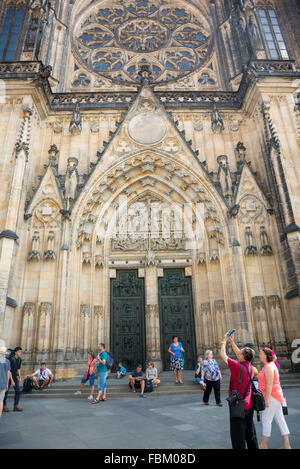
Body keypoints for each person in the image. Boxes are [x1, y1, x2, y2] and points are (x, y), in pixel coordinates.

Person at [220, 331, 259, 449]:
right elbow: (240, 354)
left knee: (238, 437)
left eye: (240, 352)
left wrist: (224, 341)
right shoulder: (251, 368)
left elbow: (223, 355)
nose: (238, 353)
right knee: (250, 433)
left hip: (238, 406)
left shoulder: (237, 367)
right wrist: (232, 341)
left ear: (242, 357)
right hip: (249, 405)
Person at [258, 347, 291, 449]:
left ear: (265, 355)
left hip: (272, 396)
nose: (259, 355)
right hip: (275, 395)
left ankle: (263, 445)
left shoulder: (269, 367)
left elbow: (269, 385)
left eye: (260, 353)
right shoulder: (269, 365)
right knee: (280, 419)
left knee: (266, 419)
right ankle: (287, 444)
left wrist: (266, 399)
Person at [3, 346, 23, 412]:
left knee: (18, 390)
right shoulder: (11, 359)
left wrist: (20, 377)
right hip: (8, 376)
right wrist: (11, 380)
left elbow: (18, 369)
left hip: (14, 377)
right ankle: (4, 405)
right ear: (15, 352)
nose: (20, 353)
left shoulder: (19, 359)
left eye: (21, 352)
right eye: (19, 352)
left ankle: (16, 405)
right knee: (6, 391)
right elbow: (9, 371)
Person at [0, 345, 11, 419]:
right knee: (1, 401)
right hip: (3, 383)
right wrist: (7, 384)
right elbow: (8, 373)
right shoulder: (7, 361)